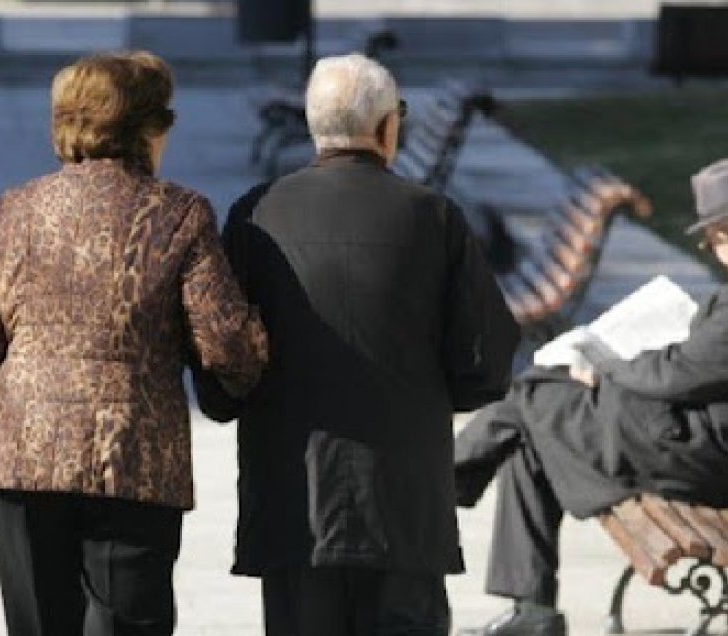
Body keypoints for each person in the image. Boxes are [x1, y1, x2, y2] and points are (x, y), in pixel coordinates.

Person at [194, 53, 520, 636]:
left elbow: (221, 369)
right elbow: (485, 366)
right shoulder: (433, 217)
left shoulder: (255, 215)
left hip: (294, 505)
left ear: (317, 125)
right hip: (403, 506)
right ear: (388, 127)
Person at [0, 51, 267, 636]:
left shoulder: (12, 210)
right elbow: (224, 341)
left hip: (23, 453)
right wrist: (245, 377)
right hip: (133, 459)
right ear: (147, 129)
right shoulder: (178, 214)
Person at [454, 159, 728, 636]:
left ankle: (441, 479)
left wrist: (607, 367)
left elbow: (677, 373)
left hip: (700, 451)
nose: (716, 250)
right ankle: (533, 611)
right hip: (691, 435)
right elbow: (691, 364)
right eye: (712, 240)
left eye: (718, 236)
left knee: (533, 396)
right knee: (531, 428)